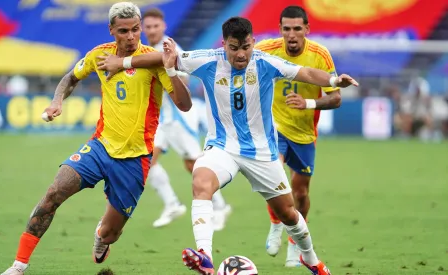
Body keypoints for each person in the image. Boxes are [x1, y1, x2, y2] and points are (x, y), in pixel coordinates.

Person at [98, 16, 358, 275]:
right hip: (222, 148)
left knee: (289, 213)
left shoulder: (266, 63)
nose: (241, 54)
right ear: (224, 44)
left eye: (246, 47)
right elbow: (160, 59)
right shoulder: (208, 59)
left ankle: (310, 259)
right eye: (234, 48)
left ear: (253, 43)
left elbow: (306, 73)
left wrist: (335, 82)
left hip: (261, 153)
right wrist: (123, 62)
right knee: (201, 181)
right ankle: (205, 257)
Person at [0, 2, 191, 274]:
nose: (131, 36)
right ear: (111, 30)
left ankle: (101, 237)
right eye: (123, 31)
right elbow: (71, 77)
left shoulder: (152, 60)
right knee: (54, 193)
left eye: (135, 30)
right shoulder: (99, 55)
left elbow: (185, 105)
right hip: (100, 147)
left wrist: (171, 70)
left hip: (135, 159)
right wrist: (57, 100)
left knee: (110, 233)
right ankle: (18, 266)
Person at [253, 6, 342, 266]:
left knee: (300, 193)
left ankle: (295, 242)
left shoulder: (319, 55)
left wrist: (308, 104)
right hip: (274, 127)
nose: (291, 35)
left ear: (307, 30)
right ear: (280, 30)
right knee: (274, 175)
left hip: (304, 133)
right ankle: (274, 224)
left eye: (297, 29)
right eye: (286, 29)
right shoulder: (266, 50)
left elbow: (335, 98)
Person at [141, 7, 231, 230]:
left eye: (155, 26)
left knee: (194, 165)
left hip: (179, 117)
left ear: (163, 27)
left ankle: (220, 206)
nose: (152, 30)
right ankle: (172, 203)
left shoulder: (169, 49)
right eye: (148, 26)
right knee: (146, 161)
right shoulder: (147, 50)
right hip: (162, 119)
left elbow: (185, 80)